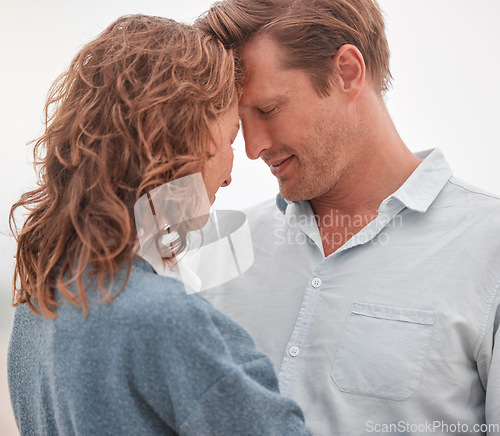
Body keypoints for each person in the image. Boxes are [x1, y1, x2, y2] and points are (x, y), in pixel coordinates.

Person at [196, 1, 500, 434]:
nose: (252, 147)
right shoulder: (214, 252)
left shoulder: (490, 247)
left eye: (267, 110)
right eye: (239, 121)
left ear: (347, 72)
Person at [7, 14, 312, 435]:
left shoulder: (38, 305)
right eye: (226, 141)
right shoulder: (164, 320)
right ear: (177, 145)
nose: (228, 175)